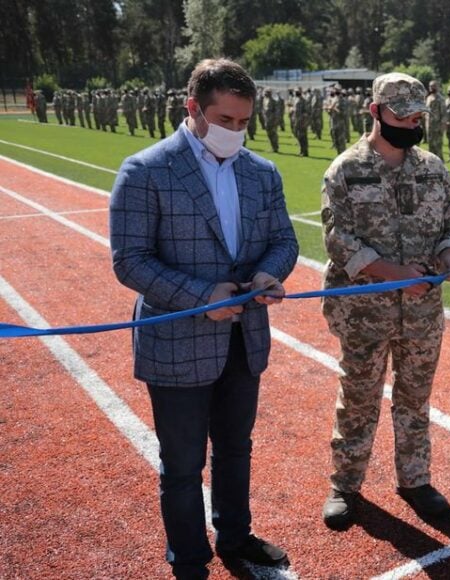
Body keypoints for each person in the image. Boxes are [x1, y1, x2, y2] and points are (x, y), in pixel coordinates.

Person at [109, 58, 298, 579]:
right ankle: (190, 560)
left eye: (244, 122)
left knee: (236, 448)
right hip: (178, 341)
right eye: (225, 120)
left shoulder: (262, 172)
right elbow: (130, 260)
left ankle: (235, 538)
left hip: (244, 338)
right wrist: (201, 295)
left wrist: (265, 275)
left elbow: (284, 241)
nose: (236, 131)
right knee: (183, 465)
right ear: (194, 109)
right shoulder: (146, 170)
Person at [319, 72, 450, 528]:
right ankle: (345, 485)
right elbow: (338, 241)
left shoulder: (432, 167)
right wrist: (397, 276)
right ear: (375, 112)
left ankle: (415, 481)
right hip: (364, 314)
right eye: (400, 114)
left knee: (415, 399)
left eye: (417, 115)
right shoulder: (346, 170)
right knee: (359, 399)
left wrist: (447, 256)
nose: (409, 122)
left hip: (422, 313)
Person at [424, 80, 446, 159]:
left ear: (437, 87)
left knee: (438, 147)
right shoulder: (429, 98)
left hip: (437, 126)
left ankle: (440, 164)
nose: (432, 88)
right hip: (429, 126)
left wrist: (442, 126)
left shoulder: (440, 99)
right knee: (431, 145)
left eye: (434, 86)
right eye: (430, 86)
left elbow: (444, 114)